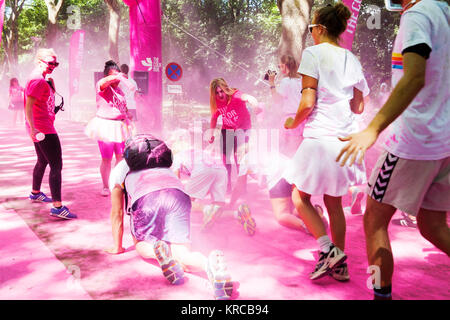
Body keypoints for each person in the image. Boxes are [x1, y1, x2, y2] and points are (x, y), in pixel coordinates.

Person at [336, 0, 449, 300]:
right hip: (444, 142)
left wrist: (373, 129)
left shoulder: (416, 15)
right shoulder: (444, 11)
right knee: (433, 225)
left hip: (413, 143)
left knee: (374, 219)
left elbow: (414, 77)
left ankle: (380, 295)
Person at [283, 3, 369, 282]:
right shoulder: (351, 59)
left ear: (319, 28)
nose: (311, 34)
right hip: (344, 140)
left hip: (320, 138)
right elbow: (358, 107)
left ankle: (327, 249)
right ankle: (340, 263)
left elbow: (307, 102)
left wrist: (292, 123)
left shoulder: (313, 54)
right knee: (335, 204)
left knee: (299, 196)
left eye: (311, 29)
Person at [106, 134, 234, 300]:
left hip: (147, 199)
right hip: (178, 195)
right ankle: (208, 265)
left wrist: (118, 247)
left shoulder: (118, 171)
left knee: (141, 244)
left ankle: (158, 251)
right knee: (182, 252)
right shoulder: (161, 160)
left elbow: (117, 213)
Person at [25, 48, 77, 220]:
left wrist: (51, 84)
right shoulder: (38, 80)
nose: (53, 66)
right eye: (50, 63)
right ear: (39, 61)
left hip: (40, 126)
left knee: (42, 160)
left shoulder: (42, 79)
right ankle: (57, 207)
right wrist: (34, 128)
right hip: (43, 128)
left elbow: (42, 100)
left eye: (56, 63)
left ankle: (35, 192)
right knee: (56, 165)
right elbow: (28, 105)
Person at [85, 60, 134, 196]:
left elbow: (123, 107)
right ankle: (105, 186)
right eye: (113, 76)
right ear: (106, 76)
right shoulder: (102, 86)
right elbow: (104, 83)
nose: (117, 80)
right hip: (105, 127)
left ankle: (117, 184)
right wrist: (116, 76)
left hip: (120, 127)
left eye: (118, 77)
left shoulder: (120, 91)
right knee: (106, 158)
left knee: (120, 158)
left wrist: (128, 114)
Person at [208, 78, 261, 194]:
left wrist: (255, 105)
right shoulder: (217, 102)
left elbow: (249, 98)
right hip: (227, 130)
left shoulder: (236, 96)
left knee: (239, 160)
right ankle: (227, 186)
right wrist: (211, 134)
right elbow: (214, 117)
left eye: (222, 91)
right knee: (225, 160)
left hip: (243, 129)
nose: (220, 95)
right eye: (217, 93)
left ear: (226, 89)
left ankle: (242, 188)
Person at [267, 55, 304, 156]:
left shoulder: (286, 81)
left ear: (285, 66)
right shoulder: (302, 80)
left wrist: (271, 82)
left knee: (286, 150)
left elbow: (276, 99)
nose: (279, 68)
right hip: (303, 118)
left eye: (280, 66)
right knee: (299, 149)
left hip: (290, 118)